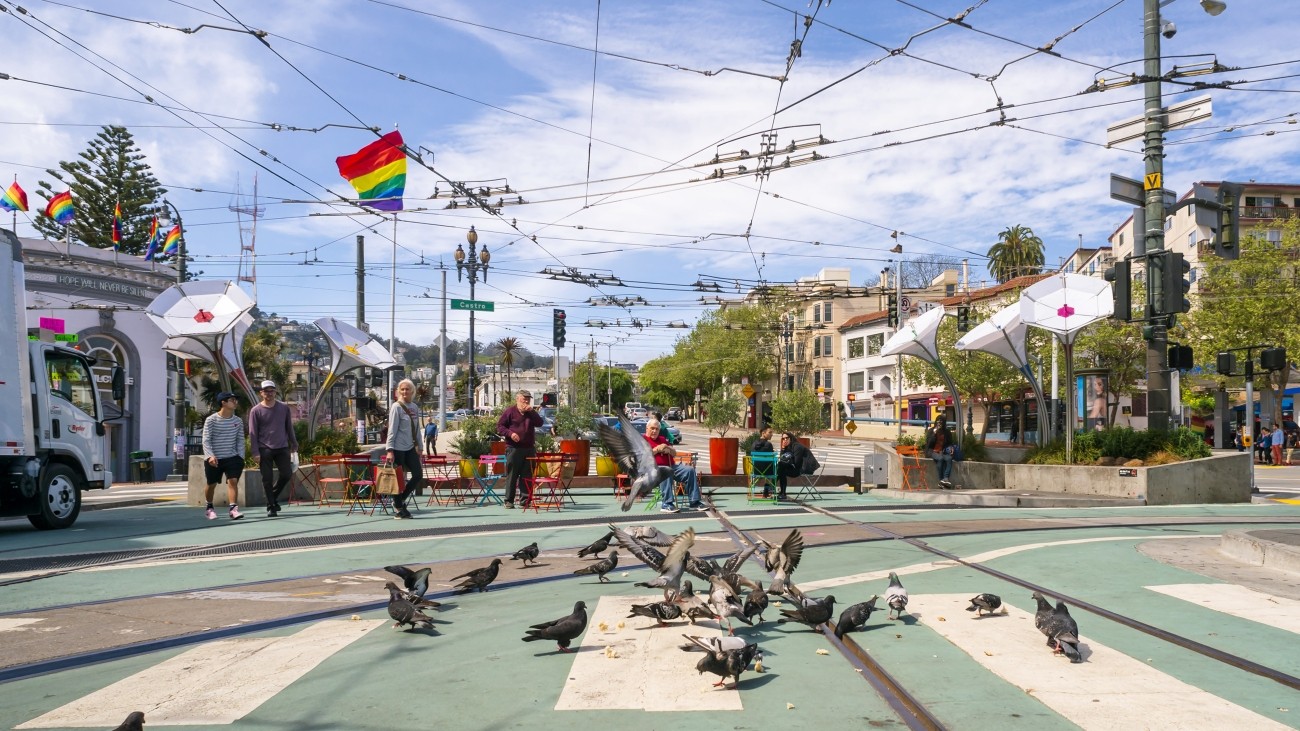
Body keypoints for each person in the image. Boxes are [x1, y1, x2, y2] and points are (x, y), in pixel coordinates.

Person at [249, 380, 297, 517]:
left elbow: (289, 427)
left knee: (287, 473)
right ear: (261, 393)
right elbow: (253, 433)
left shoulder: (283, 408)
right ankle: (272, 507)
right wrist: (255, 452)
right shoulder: (255, 411)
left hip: (282, 446)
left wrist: (294, 443)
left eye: (272, 391)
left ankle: (272, 497)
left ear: (276, 392)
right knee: (267, 478)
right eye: (266, 391)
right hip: (264, 448)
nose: (269, 394)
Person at [202, 391, 245, 521]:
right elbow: (206, 440)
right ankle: (209, 508)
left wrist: (240, 457)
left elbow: (240, 440)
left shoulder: (238, 421)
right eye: (232, 400)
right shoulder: (211, 420)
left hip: (232, 458)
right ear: (223, 402)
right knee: (212, 484)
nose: (235, 402)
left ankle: (233, 509)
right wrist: (210, 456)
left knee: (233, 481)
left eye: (235, 400)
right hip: (214, 459)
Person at [497, 389, 543, 509]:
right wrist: (510, 434)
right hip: (513, 448)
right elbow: (500, 427)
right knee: (512, 475)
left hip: (529, 448)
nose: (526, 401)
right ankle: (509, 500)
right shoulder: (510, 412)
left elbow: (540, 423)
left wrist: (533, 412)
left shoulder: (530, 413)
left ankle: (525, 500)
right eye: (524, 399)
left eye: (528, 399)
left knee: (527, 475)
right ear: (517, 399)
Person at [385, 379, 424, 520]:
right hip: (398, 447)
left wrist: (420, 446)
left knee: (418, 474)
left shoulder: (414, 407)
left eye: (407, 389)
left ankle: (399, 500)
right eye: (402, 389)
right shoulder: (396, 407)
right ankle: (399, 507)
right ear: (398, 391)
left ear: (412, 391)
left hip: (410, 447)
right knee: (398, 478)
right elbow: (392, 429)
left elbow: (417, 429)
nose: (405, 392)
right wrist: (389, 449)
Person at [644, 419, 702, 512]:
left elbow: (674, 453)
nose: (655, 431)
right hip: (653, 470)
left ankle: (694, 502)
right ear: (647, 428)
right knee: (666, 471)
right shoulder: (643, 440)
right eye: (652, 428)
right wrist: (657, 450)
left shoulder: (662, 439)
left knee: (689, 470)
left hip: (671, 466)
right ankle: (667, 504)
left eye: (657, 429)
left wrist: (669, 449)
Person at [776, 431, 814, 501]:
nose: (785, 440)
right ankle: (781, 493)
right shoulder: (788, 447)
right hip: (794, 468)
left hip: (802, 469)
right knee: (781, 467)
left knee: (781, 469)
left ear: (791, 438)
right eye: (783, 439)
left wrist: (787, 461)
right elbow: (782, 459)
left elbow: (797, 463)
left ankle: (774, 488)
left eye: (786, 438)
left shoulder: (797, 447)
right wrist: (783, 449)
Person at [924, 417, 955, 488]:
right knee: (940, 459)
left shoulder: (947, 432)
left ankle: (946, 478)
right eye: (938, 422)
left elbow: (950, 443)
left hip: (942, 452)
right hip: (931, 451)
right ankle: (941, 480)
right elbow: (929, 443)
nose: (939, 423)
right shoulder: (931, 431)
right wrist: (934, 434)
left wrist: (951, 447)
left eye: (941, 422)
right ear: (936, 422)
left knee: (949, 458)